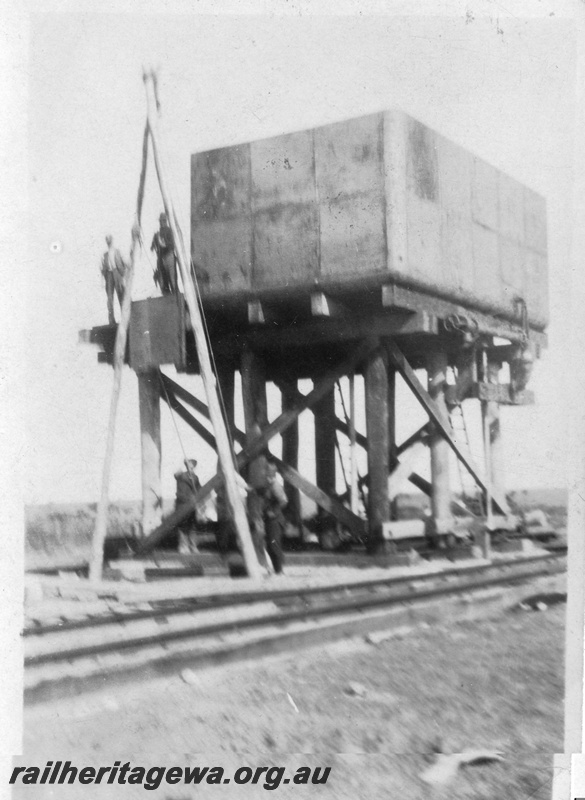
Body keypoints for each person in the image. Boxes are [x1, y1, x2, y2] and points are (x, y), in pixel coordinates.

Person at [262, 461, 288, 574]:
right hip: (271, 520)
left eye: (266, 471)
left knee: (274, 545)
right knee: (270, 545)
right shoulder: (269, 485)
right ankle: (276, 569)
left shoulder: (275, 486)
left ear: (270, 473)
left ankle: (279, 570)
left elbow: (283, 501)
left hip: (275, 520)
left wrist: (273, 512)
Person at [174, 458, 205, 552]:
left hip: (191, 503)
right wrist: (183, 462)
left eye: (191, 464)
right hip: (181, 503)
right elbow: (176, 475)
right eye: (188, 463)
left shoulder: (195, 477)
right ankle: (183, 546)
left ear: (194, 466)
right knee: (182, 525)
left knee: (192, 526)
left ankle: (193, 546)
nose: (190, 465)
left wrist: (200, 502)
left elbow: (199, 489)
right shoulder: (181, 475)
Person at [100, 235, 126, 324]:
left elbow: (124, 262)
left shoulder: (118, 251)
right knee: (110, 298)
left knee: (121, 295)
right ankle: (111, 320)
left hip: (117, 273)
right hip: (109, 275)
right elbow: (102, 267)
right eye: (107, 240)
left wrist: (123, 274)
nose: (108, 242)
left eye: (109, 240)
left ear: (112, 240)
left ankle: (125, 318)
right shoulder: (105, 255)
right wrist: (102, 277)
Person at [151, 212, 178, 295]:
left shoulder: (169, 231)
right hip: (162, 258)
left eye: (163, 220)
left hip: (169, 256)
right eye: (161, 221)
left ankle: (175, 295)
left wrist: (164, 244)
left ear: (166, 221)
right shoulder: (157, 234)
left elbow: (172, 244)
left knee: (172, 279)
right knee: (164, 280)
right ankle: (168, 295)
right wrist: (154, 243)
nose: (162, 222)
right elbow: (152, 247)